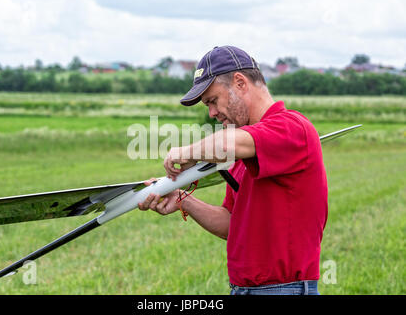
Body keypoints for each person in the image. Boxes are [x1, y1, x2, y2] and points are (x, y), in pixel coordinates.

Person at [137, 46, 328, 295]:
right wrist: (184, 200)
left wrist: (188, 152)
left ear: (239, 82)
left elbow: (228, 142)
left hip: (284, 289)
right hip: (243, 288)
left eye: (213, 101)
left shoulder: (291, 127)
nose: (212, 113)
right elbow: (233, 224)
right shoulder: (242, 152)